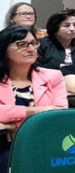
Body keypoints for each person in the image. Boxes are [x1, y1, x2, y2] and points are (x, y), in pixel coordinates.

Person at [0, 27, 68, 164]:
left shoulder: (53, 76)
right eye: (22, 45)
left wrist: (12, 124)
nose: (31, 49)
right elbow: (48, 112)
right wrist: (37, 111)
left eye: (33, 43)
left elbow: (58, 113)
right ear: (4, 50)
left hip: (43, 143)